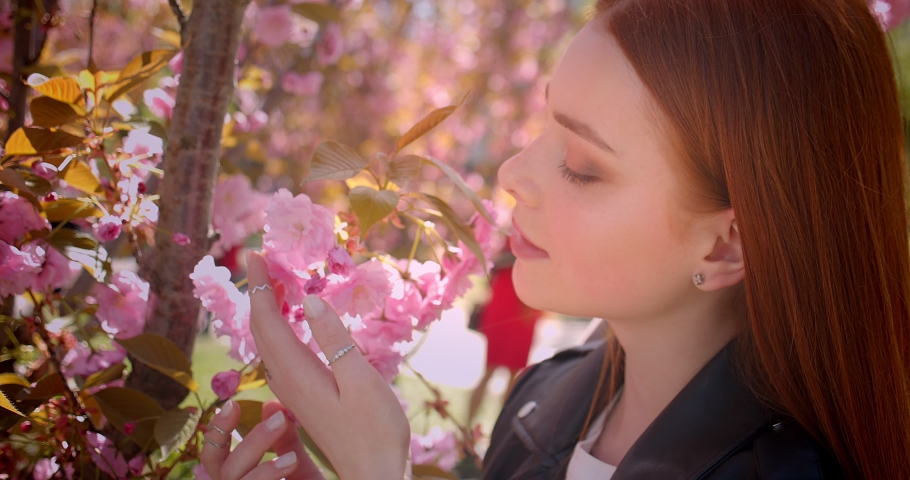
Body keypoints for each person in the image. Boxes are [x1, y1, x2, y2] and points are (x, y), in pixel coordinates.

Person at [199, 0, 910, 478]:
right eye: (546, 126)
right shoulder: (544, 402)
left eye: (582, 164)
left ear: (725, 246)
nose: (512, 173)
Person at [467, 250, 544, 425]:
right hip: (505, 300)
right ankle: (466, 432)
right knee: (489, 371)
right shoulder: (505, 227)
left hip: (527, 304)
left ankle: (498, 434)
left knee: (514, 377)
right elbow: (491, 259)